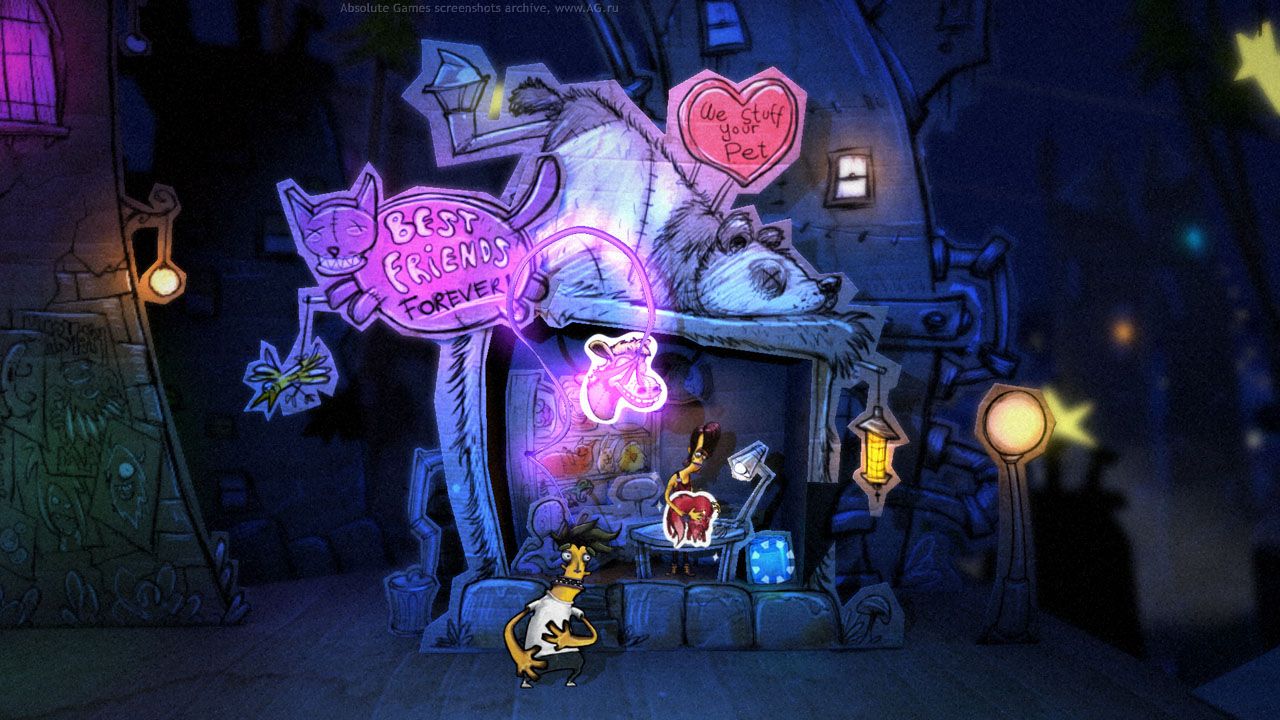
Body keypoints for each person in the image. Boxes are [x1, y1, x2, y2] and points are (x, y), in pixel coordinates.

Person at [504, 519, 618, 688]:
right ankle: (528, 678)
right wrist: (518, 655)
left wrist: (571, 640)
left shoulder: (571, 608)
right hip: (536, 655)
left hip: (564, 651)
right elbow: (509, 628)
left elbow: (592, 637)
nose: (578, 568)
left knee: (576, 661)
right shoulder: (541, 604)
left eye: (585, 558)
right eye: (568, 556)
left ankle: (569, 677)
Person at [662, 422, 720, 576]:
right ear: (690, 451)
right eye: (698, 455)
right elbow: (667, 497)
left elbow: (693, 498)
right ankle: (674, 566)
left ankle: (686, 566)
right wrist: (681, 512)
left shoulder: (691, 480)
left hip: (688, 514)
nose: (700, 461)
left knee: (687, 540)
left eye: (704, 457)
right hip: (676, 514)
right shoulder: (676, 477)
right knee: (677, 539)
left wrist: (712, 506)